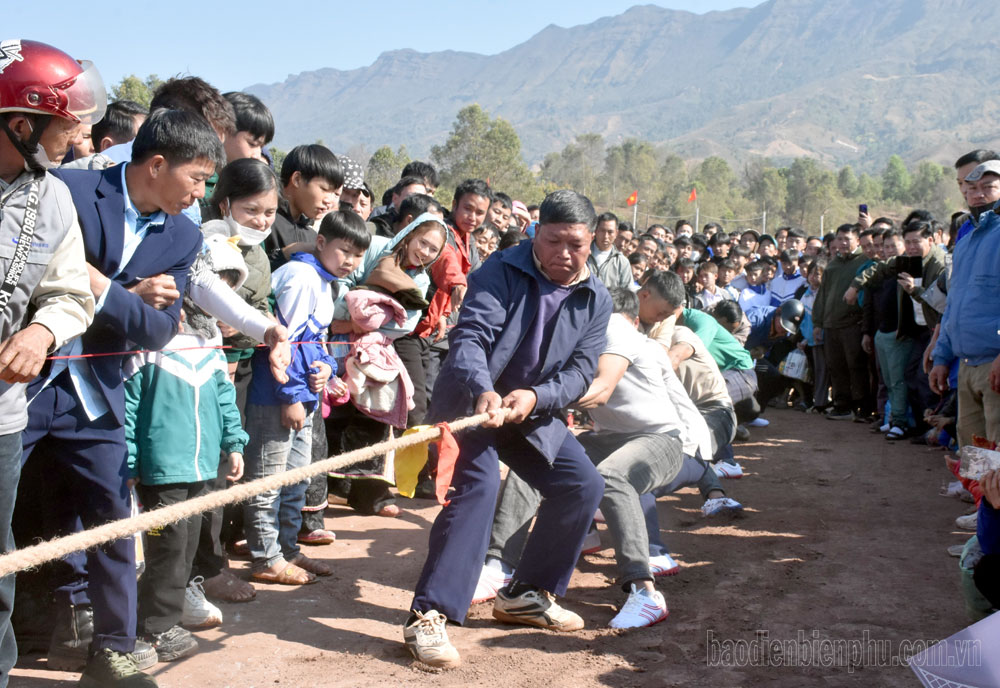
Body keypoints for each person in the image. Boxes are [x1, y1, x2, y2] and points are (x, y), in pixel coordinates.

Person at [25, 107, 224, 686]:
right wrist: (127, 295)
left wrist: (99, 285)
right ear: (157, 164)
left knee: (114, 521)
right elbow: (30, 277)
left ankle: (114, 653)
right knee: (17, 520)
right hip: (25, 380)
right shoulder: (67, 188)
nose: (201, 193)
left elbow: (162, 331)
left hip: (98, 398)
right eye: (197, 178)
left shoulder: (184, 236)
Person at [403, 190, 611, 669]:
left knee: (582, 485)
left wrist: (537, 398)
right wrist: (483, 389)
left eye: (576, 245)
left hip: (532, 412)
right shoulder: (498, 269)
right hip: (474, 407)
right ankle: (428, 615)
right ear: (536, 234)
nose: (564, 253)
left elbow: (582, 371)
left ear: (591, 241)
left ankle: (525, 594)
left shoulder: (596, 297)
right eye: (554, 240)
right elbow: (471, 336)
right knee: (476, 492)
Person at [478, 289, 712, 629]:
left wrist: (538, 399)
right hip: (607, 438)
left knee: (611, 477)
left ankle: (645, 592)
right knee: (536, 459)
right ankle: (499, 566)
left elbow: (600, 391)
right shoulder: (574, 332)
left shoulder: (615, 326)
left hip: (664, 439)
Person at [0, 39, 99, 688]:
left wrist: (41, 329)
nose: (77, 137)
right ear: (20, 124)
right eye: (66, 126)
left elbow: (68, 294)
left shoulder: (55, 199)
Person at [123, 235, 249, 660]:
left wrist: (233, 442)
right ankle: (148, 630)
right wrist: (132, 461)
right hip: (162, 472)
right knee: (165, 551)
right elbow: (130, 406)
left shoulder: (210, 348)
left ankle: (166, 622)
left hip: (202, 470)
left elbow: (225, 400)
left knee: (186, 550)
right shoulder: (147, 347)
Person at [243, 210, 369, 586]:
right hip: (276, 396)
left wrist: (329, 369)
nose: (350, 261)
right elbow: (282, 345)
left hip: (306, 397)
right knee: (268, 479)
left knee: (297, 479)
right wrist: (290, 397)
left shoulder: (326, 282)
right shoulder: (300, 278)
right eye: (343, 250)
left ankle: (287, 548)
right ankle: (265, 555)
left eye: (358, 255)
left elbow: (314, 342)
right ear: (321, 243)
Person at [930, 161, 1000, 449]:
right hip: (967, 366)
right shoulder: (966, 241)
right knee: (973, 450)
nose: (978, 195)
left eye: (988, 187)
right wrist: (941, 357)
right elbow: (954, 306)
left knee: (997, 450)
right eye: (971, 189)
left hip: (994, 365)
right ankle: (979, 496)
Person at [812, 223, 870, 421]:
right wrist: (818, 322)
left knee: (855, 365)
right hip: (831, 324)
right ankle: (841, 405)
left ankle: (862, 406)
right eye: (840, 239)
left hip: (852, 323)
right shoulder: (833, 264)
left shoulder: (863, 260)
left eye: (847, 239)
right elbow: (822, 295)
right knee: (835, 367)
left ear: (857, 240)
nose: (843, 243)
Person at [264, 144, 343, 269]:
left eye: (334, 193)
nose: (329, 201)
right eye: (324, 189)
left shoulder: (312, 237)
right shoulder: (264, 222)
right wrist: (285, 254)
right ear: (297, 179)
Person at [587, 212, 631, 289]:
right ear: (596, 230)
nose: (606, 236)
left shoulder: (622, 262)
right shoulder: (583, 253)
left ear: (616, 233)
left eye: (610, 232)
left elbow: (626, 293)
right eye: (602, 231)